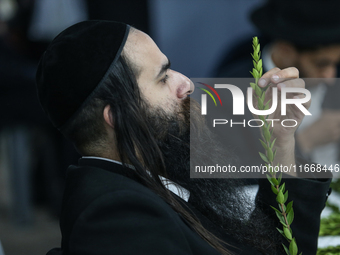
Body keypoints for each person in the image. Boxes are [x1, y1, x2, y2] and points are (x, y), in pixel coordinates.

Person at [36, 20, 331, 255]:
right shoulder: (117, 218)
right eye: (163, 77)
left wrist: (281, 141)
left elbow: (276, 249)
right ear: (116, 116)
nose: (186, 83)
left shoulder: (150, 176)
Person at [214, 0, 340, 169]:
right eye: (321, 64)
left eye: (335, 64)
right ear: (285, 51)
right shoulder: (230, 93)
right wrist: (305, 141)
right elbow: (236, 175)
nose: (331, 77)